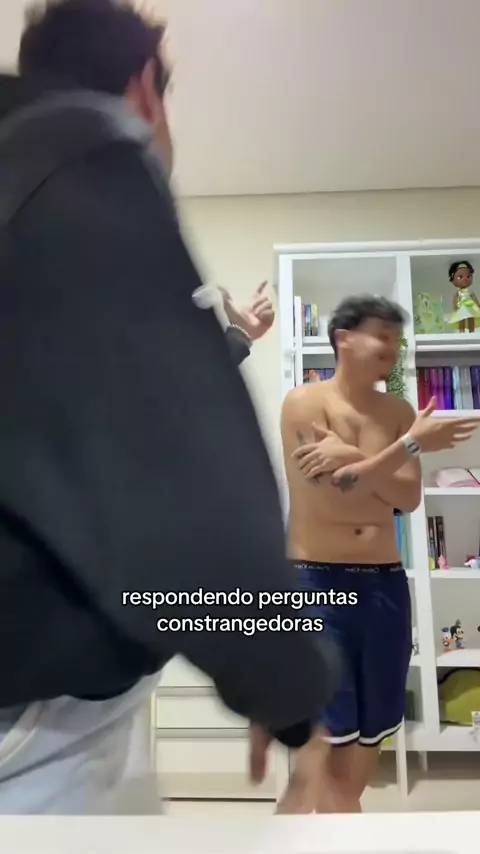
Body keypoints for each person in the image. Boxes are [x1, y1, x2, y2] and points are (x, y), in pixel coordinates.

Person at [0, 0, 339, 814]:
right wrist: (284, 684)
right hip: (34, 724)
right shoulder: (82, 155)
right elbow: (175, 488)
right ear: (146, 88)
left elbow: (56, 416)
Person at [281, 294, 480, 813]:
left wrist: (357, 457)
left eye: (397, 338)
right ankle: (341, 831)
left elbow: (407, 497)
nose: (392, 347)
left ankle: (334, 825)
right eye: (382, 335)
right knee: (328, 732)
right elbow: (333, 488)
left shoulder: (398, 412)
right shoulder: (305, 403)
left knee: (373, 728)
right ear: (344, 339)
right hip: (316, 582)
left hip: (385, 582)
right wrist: (407, 448)